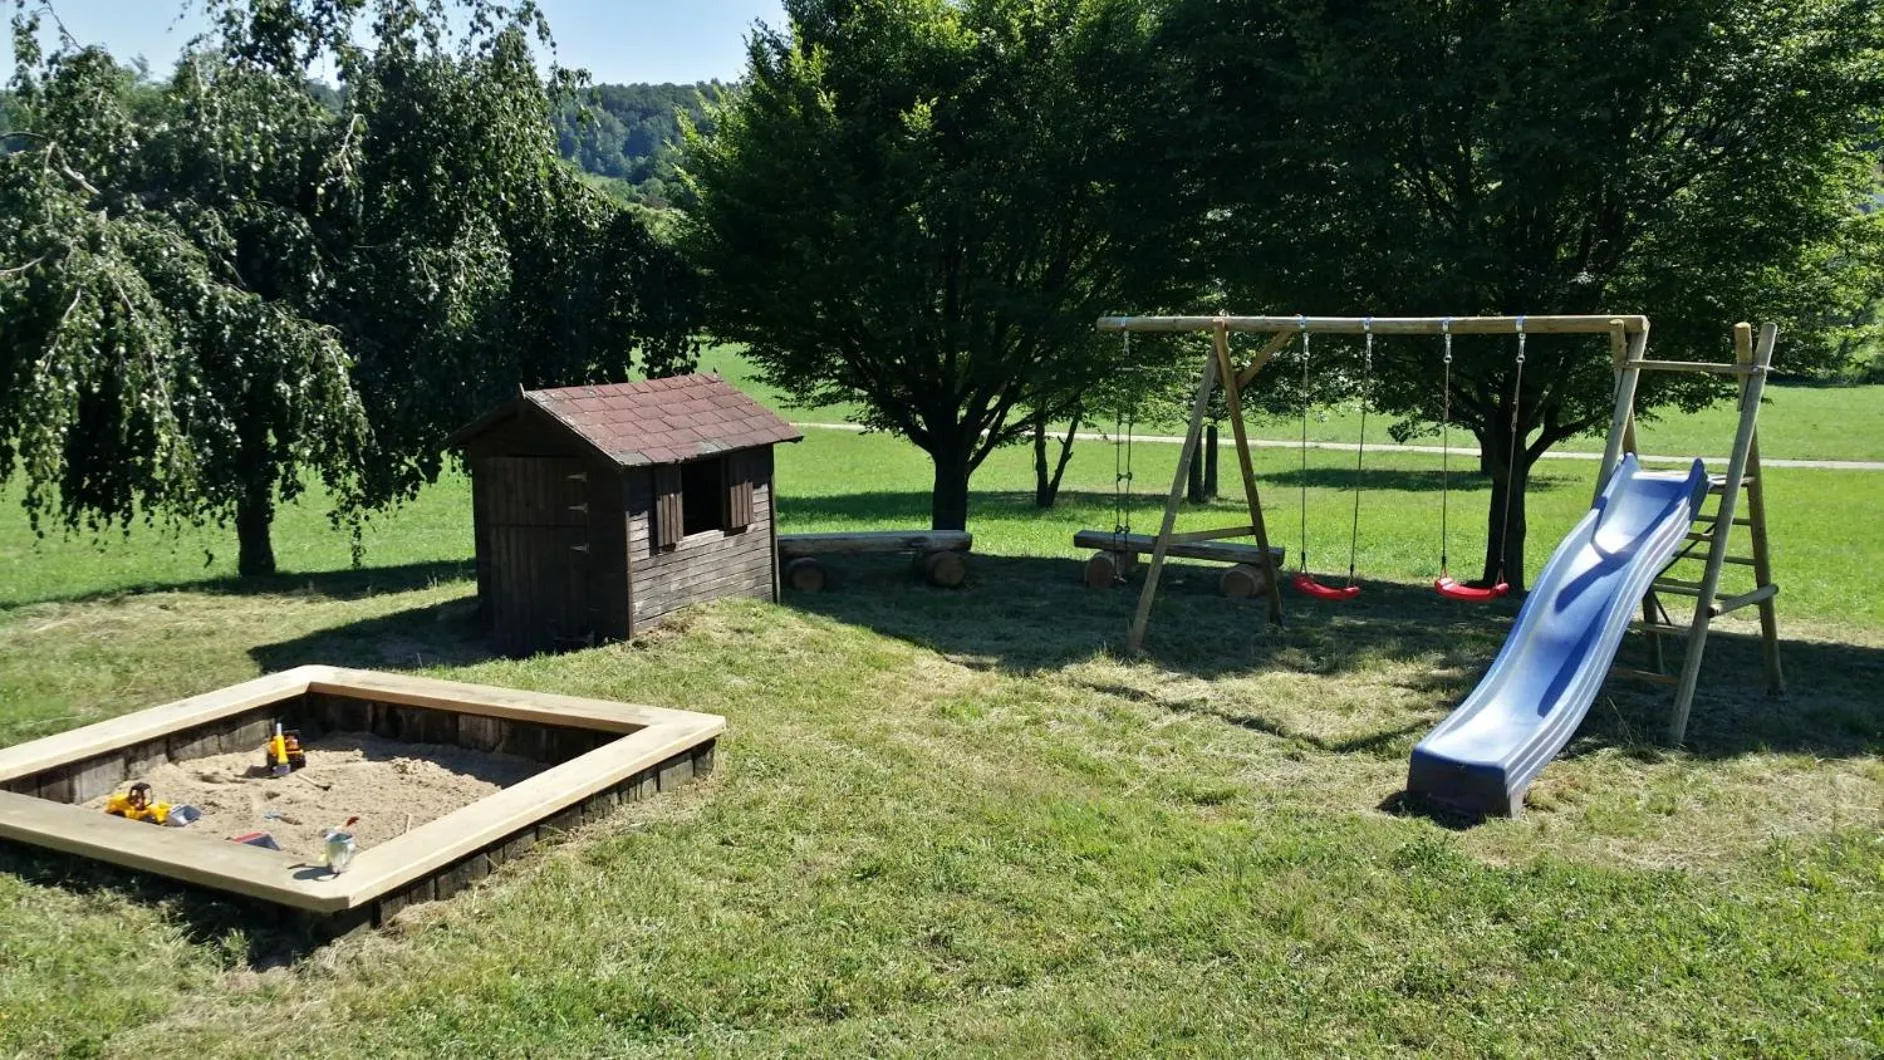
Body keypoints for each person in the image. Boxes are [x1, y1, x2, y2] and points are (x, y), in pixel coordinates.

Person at [103, 782, 201, 827]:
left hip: (140, 806)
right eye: (139, 795)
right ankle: (161, 817)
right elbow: (136, 803)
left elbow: (147, 802)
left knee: (156, 806)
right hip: (133, 810)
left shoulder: (142, 798)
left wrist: (170, 808)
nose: (141, 797)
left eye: (141, 795)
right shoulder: (127, 802)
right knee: (148, 817)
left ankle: (167, 812)